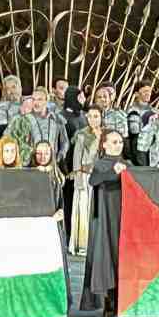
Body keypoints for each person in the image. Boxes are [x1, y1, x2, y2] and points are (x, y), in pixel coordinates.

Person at [81, 130, 131, 317]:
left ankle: (121, 298)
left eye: (120, 141)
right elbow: (94, 180)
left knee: (121, 255)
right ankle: (109, 299)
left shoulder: (127, 164)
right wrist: (113, 172)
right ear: (104, 145)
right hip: (106, 216)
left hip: (123, 215)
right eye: (114, 141)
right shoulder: (101, 164)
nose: (118, 145)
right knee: (107, 254)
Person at [31, 140, 71, 309]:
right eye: (39, 153)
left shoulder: (57, 176)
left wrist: (62, 211)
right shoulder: (28, 173)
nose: (42, 156)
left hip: (54, 224)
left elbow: (61, 201)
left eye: (46, 153)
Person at [68, 106, 103, 255]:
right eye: (91, 116)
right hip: (85, 177)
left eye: (96, 116)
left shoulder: (107, 135)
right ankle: (82, 245)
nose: (93, 119)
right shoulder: (81, 135)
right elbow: (78, 159)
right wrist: (78, 179)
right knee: (83, 210)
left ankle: (98, 244)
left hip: (101, 178)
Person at [0, 75, 23, 142]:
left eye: (13, 87)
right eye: (7, 89)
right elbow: (0, 134)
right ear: (4, 92)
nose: (11, 91)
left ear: (20, 88)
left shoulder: (28, 103)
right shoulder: (1, 108)